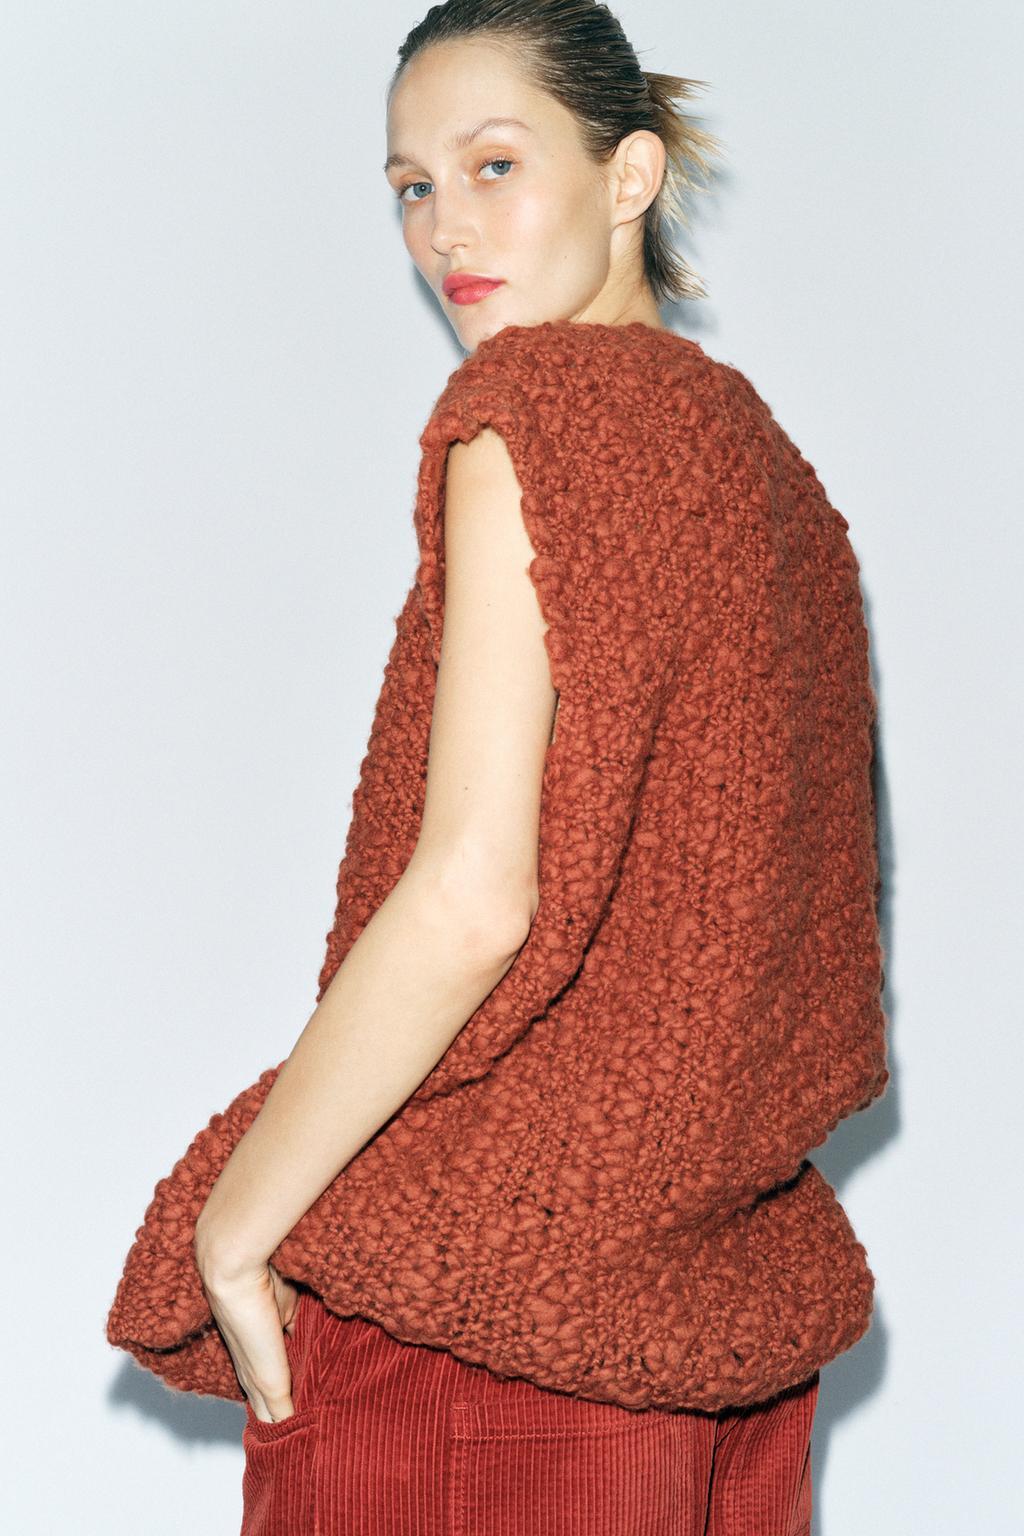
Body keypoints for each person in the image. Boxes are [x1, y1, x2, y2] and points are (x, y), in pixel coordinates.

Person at [106, 3, 889, 1532]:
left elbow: (472, 895)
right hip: (718, 1344)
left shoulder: (528, 415)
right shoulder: (775, 482)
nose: (446, 228)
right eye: (412, 186)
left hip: (481, 1333)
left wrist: (235, 1223)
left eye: (494, 164)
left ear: (629, 175)